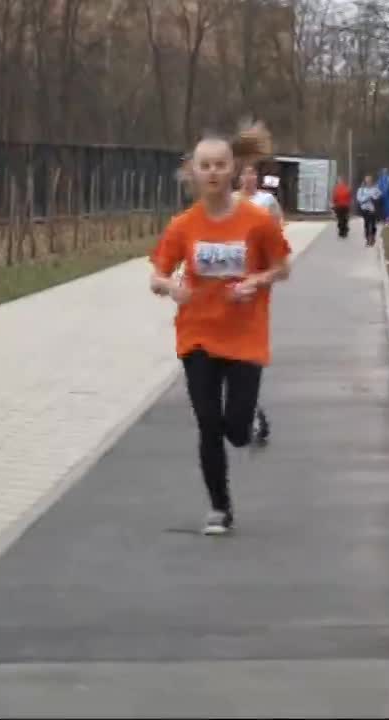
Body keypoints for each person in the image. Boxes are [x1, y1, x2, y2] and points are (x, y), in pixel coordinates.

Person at [149, 128, 291, 535]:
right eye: (205, 165)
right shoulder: (183, 225)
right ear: (193, 171)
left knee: (236, 432)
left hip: (245, 336)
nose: (212, 172)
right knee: (208, 422)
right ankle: (219, 507)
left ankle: (252, 421)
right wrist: (172, 287)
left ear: (235, 170)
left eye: (220, 165)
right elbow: (157, 275)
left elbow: (283, 267)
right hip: (198, 336)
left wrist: (255, 282)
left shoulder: (257, 220)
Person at [231, 160, 283, 447]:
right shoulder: (229, 202)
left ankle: (249, 408)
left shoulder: (267, 201)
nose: (249, 177)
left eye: (253, 172)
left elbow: (278, 230)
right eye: (244, 172)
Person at [355, 174, 382, 247]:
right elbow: (359, 199)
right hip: (365, 209)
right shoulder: (361, 190)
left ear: (371, 181)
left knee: (373, 224)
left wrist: (375, 197)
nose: (368, 182)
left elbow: (379, 196)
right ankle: (367, 239)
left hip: (372, 209)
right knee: (366, 224)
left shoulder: (375, 189)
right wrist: (368, 197)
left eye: (370, 181)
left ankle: (372, 238)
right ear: (365, 181)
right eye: (367, 181)